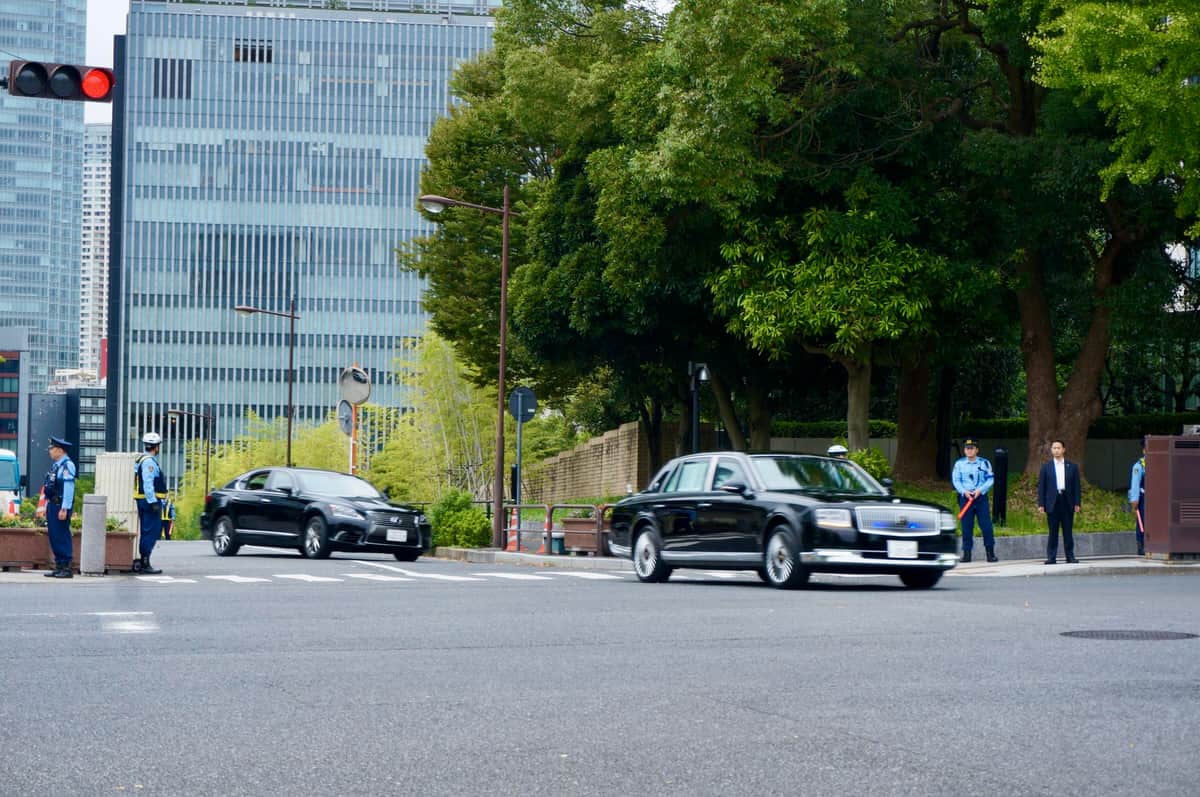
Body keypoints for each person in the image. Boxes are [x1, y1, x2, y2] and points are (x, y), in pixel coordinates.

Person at [951, 437, 997, 563]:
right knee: (966, 527)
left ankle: (990, 553)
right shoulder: (959, 464)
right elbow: (956, 480)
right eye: (967, 448)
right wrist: (963, 491)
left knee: (986, 526)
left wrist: (980, 490)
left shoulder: (984, 463)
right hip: (966, 498)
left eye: (972, 448)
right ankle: (967, 554)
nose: (969, 450)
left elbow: (990, 479)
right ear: (965, 450)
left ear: (977, 450)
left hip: (980, 498)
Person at [1037, 439, 1082, 564]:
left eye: (1058, 448)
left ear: (1063, 450)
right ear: (1051, 450)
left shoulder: (1072, 467)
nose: (1056, 450)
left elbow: (1076, 487)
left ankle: (1070, 556)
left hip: (1067, 501)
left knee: (1068, 530)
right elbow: (1042, 487)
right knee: (1053, 531)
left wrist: (1077, 503)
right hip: (1052, 502)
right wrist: (1041, 504)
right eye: (1054, 448)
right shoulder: (1046, 467)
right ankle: (1051, 557)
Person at [43, 437, 77, 578]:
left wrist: (65, 508)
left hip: (60, 506)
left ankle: (66, 567)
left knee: (62, 536)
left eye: (52, 449)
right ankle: (59, 565)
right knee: (54, 536)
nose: (50, 452)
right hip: (52, 505)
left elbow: (69, 488)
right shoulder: (56, 466)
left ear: (60, 450)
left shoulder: (67, 465)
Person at [133, 432, 167, 574]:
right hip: (149, 502)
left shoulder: (142, 459)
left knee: (148, 531)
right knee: (150, 532)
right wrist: (153, 501)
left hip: (145, 501)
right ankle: (145, 562)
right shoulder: (148, 462)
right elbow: (147, 483)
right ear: (156, 447)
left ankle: (144, 561)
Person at [1128, 437, 1147, 556]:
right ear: (1144, 450)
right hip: (1143, 497)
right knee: (1142, 522)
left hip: (1157, 498)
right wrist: (1134, 500)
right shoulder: (1139, 465)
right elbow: (1135, 484)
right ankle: (1141, 546)